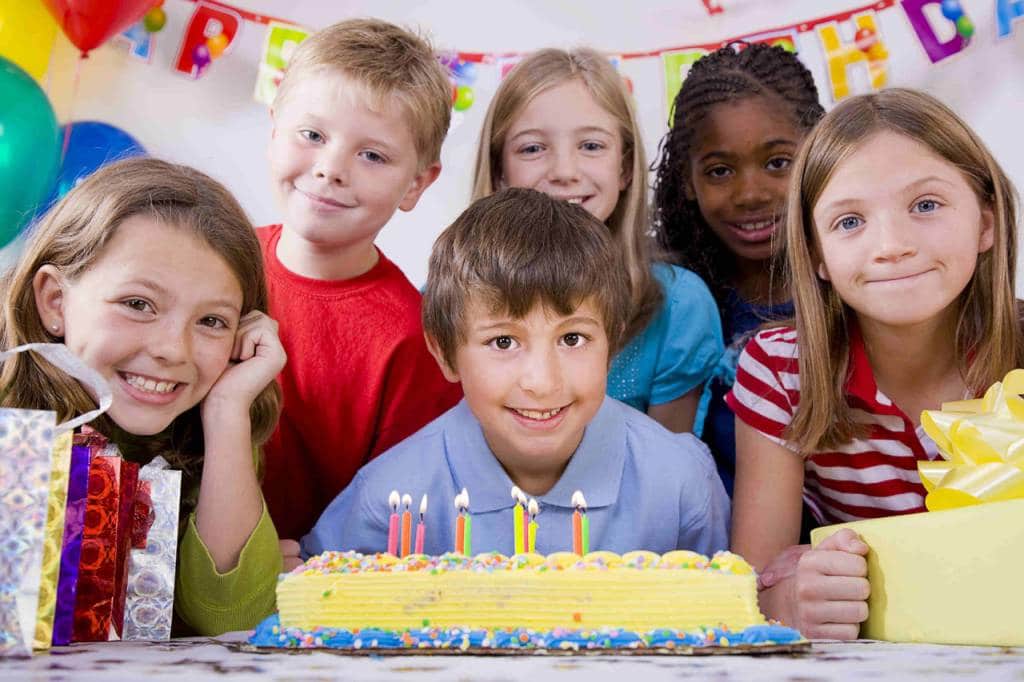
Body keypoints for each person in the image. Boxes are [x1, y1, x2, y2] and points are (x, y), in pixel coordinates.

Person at [727, 89, 1021, 639]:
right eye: (849, 222)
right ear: (816, 254)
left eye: (926, 206)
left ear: (986, 223)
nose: (892, 245)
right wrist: (789, 599)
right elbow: (752, 584)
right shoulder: (780, 371)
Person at [301, 188, 729, 559]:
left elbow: (724, 619)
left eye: (573, 339)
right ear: (446, 352)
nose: (542, 382)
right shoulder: (390, 498)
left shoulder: (680, 482)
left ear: (611, 344)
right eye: (503, 342)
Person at [0, 157, 286, 635]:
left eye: (212, 321)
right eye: (138, 305)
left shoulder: (211, 430)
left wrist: (227, 413)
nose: (173, 350)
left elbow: (233, 619)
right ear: (55, 301)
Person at [260, 18, 462, 541]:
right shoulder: (208, 259)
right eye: (312, 135)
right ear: (274, 128)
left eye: (371, 155)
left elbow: (400, 516)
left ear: (416, 183)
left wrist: (315, 557)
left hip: (305, 591)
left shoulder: (412, 341)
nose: (331, 168)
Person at [472, 48, 723, 434]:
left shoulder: (678, 306)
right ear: (500, 171)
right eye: (533, 148)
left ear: (623, 169)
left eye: (591, 146)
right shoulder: (451, 298)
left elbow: (669, 472)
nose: (564, 172)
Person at [652, 42, 825, 495]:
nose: (750, 193)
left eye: (777, 163)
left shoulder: (861, 288)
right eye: (720, 171)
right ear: (687, 181)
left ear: (819, 156)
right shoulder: (674, 306)